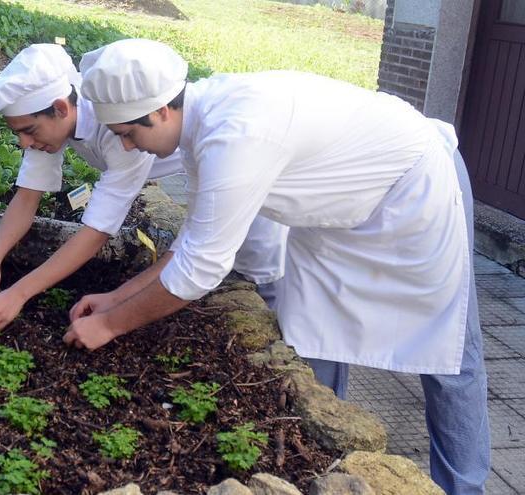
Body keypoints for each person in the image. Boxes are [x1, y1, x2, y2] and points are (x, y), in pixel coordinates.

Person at [64, 38, 489, 495]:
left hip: (413, 187)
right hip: (338, 212)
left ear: (162, 110)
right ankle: (333, 458)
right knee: (317, 327)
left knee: (449, 349)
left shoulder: (235, 133)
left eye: (130, 134)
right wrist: (115, 297)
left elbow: (200, 271)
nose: (130, 147)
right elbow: (191, 243)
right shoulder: (201, 124)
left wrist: (110, 325)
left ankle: (465, 487)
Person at [0, 43, 286, 329]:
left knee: (260, 272)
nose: (23, 142)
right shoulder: (53, 125)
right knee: (204, 251)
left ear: (61, 108)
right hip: (196, 168)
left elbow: (96, 232)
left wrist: (18, 294)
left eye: (28, 130)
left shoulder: (117, 130)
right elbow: (27, 197)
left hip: (233, 174)